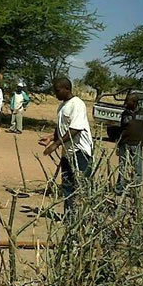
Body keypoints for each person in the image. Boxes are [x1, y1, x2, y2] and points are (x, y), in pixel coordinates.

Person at [40, 77, 93, 213]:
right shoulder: (62, 106)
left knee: (80, 185)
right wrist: (51, 138)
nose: (56, 94)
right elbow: (61, 127)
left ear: (67, 89)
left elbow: (75, 129)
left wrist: (56, 144)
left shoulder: (77, 104)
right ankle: (69, 216)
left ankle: (81, 217)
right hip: (68, 151)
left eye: (57, 91)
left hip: (80, 152)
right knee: (67, 184)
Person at [116, 93, 143, 193]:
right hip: (125, 144)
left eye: (128, 102)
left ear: (134, 102)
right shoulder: (125, 114)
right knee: (122, 167)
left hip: (137, 144)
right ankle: (119, 189)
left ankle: (135, 190)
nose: (126, 103)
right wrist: (118, 145)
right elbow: (121, 129)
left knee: (137, 169)